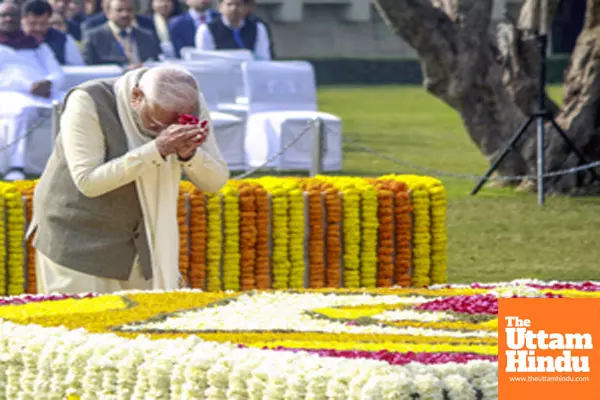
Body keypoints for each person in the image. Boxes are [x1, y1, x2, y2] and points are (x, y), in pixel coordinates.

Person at [29, 65, 229, 294]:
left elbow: (215, 182)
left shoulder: (190, 105)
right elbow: (88, 182)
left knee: (144, 324)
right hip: (78, 239)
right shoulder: (89, 99)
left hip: (144, 241)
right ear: (136, 97)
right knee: (82, 325)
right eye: (154, 124)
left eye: (172, 126)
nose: (163, 131)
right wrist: (157, 149)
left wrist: (190, 154)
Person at [0, 1, 64, 181]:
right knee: (22, 111)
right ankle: (16, 166)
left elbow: (57, 71)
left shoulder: (35, 44)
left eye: (12, 15)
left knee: (73, 102)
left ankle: (68, 162)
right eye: (3, 15)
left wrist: (49, 83)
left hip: (44, 91)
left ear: (20, 19)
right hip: (9, 93)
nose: (8, 19)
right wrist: (28, 86)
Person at [82, 0, 161, 67]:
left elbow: (156, 63)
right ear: (107, 12)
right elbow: (90, 69)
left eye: (129, 10)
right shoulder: (93, 37)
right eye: (119, 10)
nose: (125, 14)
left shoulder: (147, 36)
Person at [195, 0, 270, 60]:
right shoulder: (206, 30)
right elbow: (206, 60)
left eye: (238, 5)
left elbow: (263, 58)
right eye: (229, 4)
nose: (234, 8)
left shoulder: (258, 28)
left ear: (245, 7)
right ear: (220, 7)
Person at [21, 0, 84, 65]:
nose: (38, 28)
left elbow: (78, 69)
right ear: (22, 20)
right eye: (33, 23)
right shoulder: (12, 40)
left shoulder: (64, 41)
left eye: (43, 24)